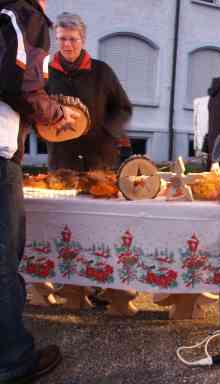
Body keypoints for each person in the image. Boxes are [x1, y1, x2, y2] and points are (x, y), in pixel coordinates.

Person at [0, 1, 79, 382]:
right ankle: (13, 359)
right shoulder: (23, 13)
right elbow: (19, 83)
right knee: (2, 259)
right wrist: (55, 114)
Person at [46, 12, 132, 171]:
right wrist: (46, 131)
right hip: (61, 160)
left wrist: (106, 132)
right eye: (62, 39)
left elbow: (123, 108)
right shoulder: (46, 73)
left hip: (99, 159)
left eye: (72, 39)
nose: (67, 45)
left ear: (83, 40)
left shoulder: (102, 71)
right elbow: (37, 109)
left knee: (99, 194)